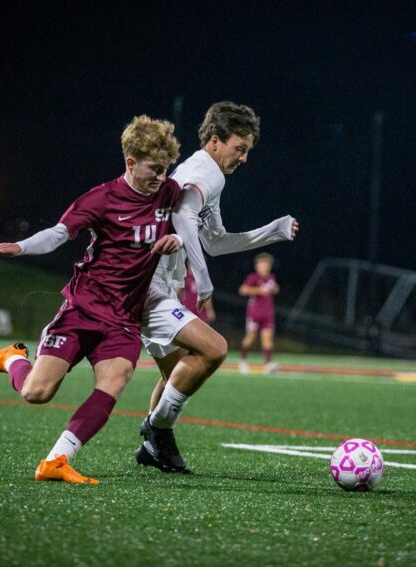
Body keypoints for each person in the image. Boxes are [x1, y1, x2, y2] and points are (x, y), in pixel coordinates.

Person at [0, 115, 183, 484]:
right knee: (37, 392)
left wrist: (176, 239)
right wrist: (18, 247)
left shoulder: (170, 193)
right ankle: (13, 360)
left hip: (125, 317)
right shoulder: (101, 198)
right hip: (83, 308)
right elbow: (58, 234)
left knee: (114, 380)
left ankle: (56, 460)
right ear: (130, 162)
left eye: (166, 168)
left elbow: (188, 220)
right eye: (154, 168)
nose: (162, 177)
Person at [135, 101, 299, 473]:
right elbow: (181, 216)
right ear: (214, 141)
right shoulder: (206, 172)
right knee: (212, 349)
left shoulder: (205, 172)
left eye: (247, 150)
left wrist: (270, 231)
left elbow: (213, 240)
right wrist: (203, 278)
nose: (243, 157)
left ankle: (152, 442)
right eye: (239, 148)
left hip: (156, 280)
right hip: (148, 282)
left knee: (173, 371)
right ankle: (157, 431)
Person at [238, 252, 280, 374]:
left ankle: (268, 363)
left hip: (268, 312)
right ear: (256, 265)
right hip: (254, 313)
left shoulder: (271, 277)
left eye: (267, 264)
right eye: (262, 264)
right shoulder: (253, 277)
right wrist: (259, 290)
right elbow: (243, 290)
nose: (265, 266)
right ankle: (243, 361)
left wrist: (275, 289)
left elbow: (275, 289)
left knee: (267, 339)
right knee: (250, 337)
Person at [177, 260, 216, 324]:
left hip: (200, 311)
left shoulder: (203, 280)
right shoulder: (184, 277)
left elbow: (207, 296)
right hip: (187, 310)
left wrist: (210, 310)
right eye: (191, 265)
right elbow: (176, 292)